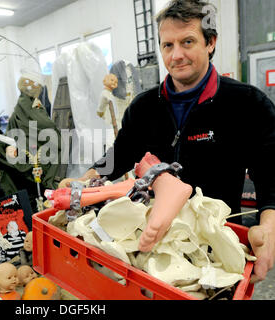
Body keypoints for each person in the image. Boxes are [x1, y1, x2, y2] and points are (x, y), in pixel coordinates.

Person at [59, 0, 275, 283]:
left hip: (216, 245)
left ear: (210, 42)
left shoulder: (248, 103)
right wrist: (87, 178)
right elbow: (120, 153)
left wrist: (269, 225)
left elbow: (270, 170)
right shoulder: (143, 107)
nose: (177, 55)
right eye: (168, 45)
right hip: (155, 244)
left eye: (187, 42)